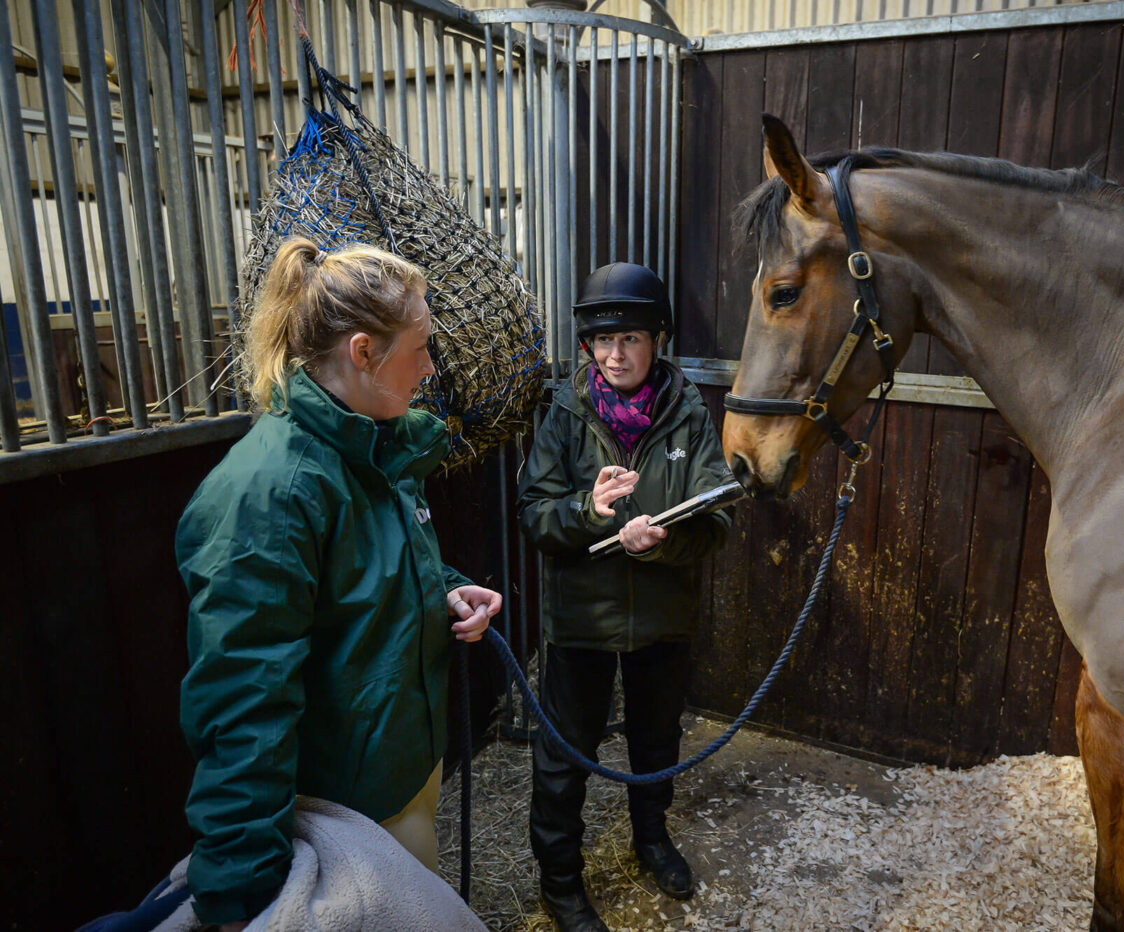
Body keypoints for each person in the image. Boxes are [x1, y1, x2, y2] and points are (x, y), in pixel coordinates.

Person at [176, 237, 502, 930]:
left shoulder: (376, 444)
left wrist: (444, 587)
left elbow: (369, 575)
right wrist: (243, 895)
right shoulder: (269, 490)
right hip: (348, 807)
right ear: (362, 352)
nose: (429, 368)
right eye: (421, 347)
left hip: (405, 764)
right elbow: (243, 701)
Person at [518, 262, 735, 932]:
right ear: (587, 344)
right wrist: (589, 511)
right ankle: (560, 881)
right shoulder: (563, 411)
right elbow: (534, 514)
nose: (616, 354)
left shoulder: (690, 413)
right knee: (564, 758)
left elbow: (720, 517)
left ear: (658, 341)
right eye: (604, 341)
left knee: (656, 741)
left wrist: (660, 541)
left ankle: (651, 840)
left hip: (663, 619)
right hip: (581, 620)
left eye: (632, 339)